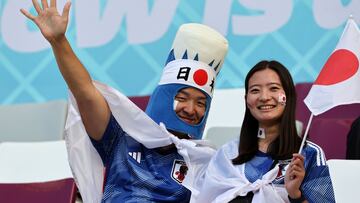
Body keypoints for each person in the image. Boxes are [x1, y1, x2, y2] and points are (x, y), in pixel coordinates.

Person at [21, 0, 228, 202]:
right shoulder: (122, 138)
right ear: (163, 97)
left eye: (201, 103)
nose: (191, 109)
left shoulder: (206, 163)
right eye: (182, 98)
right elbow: (84, 91)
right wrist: (59, 42)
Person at [175, 60, 335, 203]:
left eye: (273, 88)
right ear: (247, 100)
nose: (264, 97)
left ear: (287, 96)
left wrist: (296, 196)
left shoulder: (308, 154)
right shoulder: (227, 154)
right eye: (255, 90)